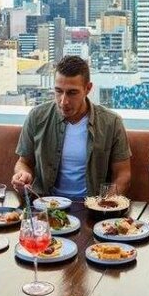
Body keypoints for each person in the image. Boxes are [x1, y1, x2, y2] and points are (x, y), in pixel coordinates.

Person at [11, 55, 131, 199]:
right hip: (45, 206)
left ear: (88, 88)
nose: (63, 101)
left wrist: (104, 204)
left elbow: (123, 175)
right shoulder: (37, 116)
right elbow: (23, 162)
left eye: (72, 92)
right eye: (58, 91)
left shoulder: (111, 122)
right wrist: (22, 174)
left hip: (92, 207)